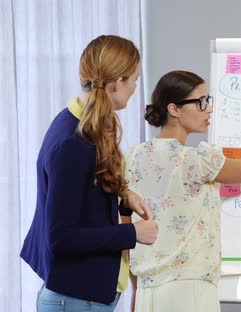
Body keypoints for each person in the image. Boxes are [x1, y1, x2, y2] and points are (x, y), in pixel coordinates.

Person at [124, 70, 241, 312]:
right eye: (201, 102)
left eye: (208, 101)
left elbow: (128, 226)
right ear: (174, 109)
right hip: (189, 290)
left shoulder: (132, 157)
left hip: (147, 290)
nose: (209, 109)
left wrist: (135, 287)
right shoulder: (197, 160)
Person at [20, 35, 158, 311]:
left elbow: (81, 192)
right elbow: (62, 237)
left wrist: (123, 195)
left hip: (82, 298)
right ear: (116, 82)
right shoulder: (72, 142)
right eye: (133, 79)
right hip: (75, 300)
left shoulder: (79, 120)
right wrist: (132, 233)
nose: (134, 88)